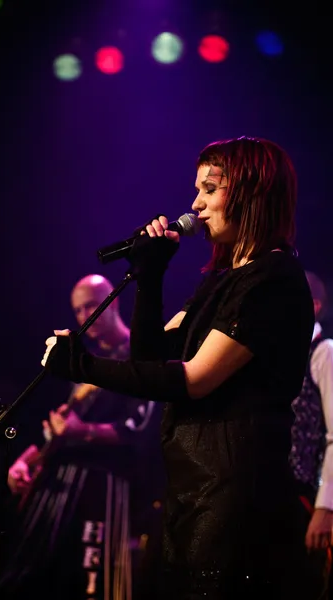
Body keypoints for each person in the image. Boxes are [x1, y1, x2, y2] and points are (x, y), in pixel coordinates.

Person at [42, 136, 321, 599]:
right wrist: (150, 279)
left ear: (252, 192)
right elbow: (149, 360)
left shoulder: (273, 280)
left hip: (234, 496)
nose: (196, 204)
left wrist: (84, 366)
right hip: (192, 491)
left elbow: (192, 379)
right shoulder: (221, 282)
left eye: (210, 189)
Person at [0, 274, 165, 600]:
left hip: (104, 488)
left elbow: (139, 428)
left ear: (112, 301)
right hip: (59, 485)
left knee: (94, 587)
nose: (84, 315)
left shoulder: (138, 354)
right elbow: (62, 427)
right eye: (78, 309)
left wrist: (81, 432)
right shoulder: (87, 362)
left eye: (91, 305)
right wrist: (27, 459)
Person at [289, 270, 333, 597]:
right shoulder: (279, 354)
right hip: (275, 495)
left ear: (314, 306)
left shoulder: (324, 352)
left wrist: (325, 508)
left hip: (305, 498)